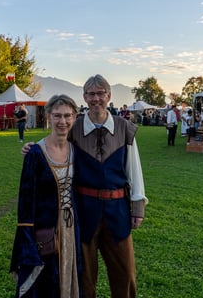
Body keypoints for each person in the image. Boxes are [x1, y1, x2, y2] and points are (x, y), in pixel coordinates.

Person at [24, 75, 148, 297]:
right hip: (84, 210)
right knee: (85, 277)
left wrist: (137, 206)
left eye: (100, 93)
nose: (96, 98)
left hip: (118, 211)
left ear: (108, 96)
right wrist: (35, 148)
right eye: (91, 94)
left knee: (125, 274)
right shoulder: (75, 127)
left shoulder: (124, 128)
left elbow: (134, 168)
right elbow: (55, 143)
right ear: (84, 97)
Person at [10, 94, 82, 297]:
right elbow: (26, 201)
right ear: (49, 116)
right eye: (57, 115)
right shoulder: (35, 153)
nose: (62, 121)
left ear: (74, 117)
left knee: (69, 277)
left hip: (71, 227)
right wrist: (27, 236)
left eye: (67, 116)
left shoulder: (76, 151)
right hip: (46, 229)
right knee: (46, 282)